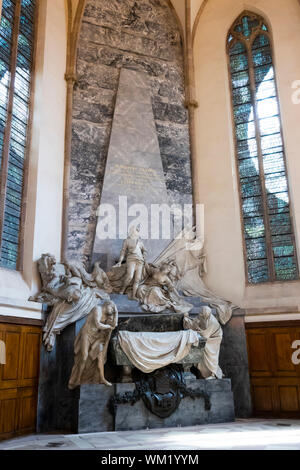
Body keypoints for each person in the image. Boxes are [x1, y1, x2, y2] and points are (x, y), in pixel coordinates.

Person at [68, 301, 118, 389]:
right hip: (87, 334)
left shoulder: (107, 315)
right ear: (106, 305)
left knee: (100, 357)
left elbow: (115, 324)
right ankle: (78, 379)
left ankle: (102, 378)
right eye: (111, 308)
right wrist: (109, 327)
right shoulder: (97, 309)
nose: (112, 310)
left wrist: (116, 312)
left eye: (113, 310)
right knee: (84, 356)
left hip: (97, 337)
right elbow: (98, 325)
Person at [183, 306, 223, 379]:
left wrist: (196, 330)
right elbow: (195, 323)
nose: (200, 315)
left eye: (202, 313)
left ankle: (212, 373)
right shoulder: (202, 317)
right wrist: (187, 319)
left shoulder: (212, 321)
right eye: (200, 313)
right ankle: (204, 373)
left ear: (207, 314)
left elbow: (205, 335)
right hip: (205, 340)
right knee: (198, 350)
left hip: (213, 341)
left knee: (211, 358)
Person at [115, 226, 147, 299]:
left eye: (138, 231)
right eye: (137, 230)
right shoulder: (127, 240)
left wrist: (144, 256)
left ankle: (133, 296)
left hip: (140, 261)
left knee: (137, 279)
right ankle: (122, 290)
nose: (138, 232)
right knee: (130, 276)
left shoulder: (140, 242)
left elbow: (145, 250)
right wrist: (120, 261)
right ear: (132, 231)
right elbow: (123, 251)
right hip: (131, 259)